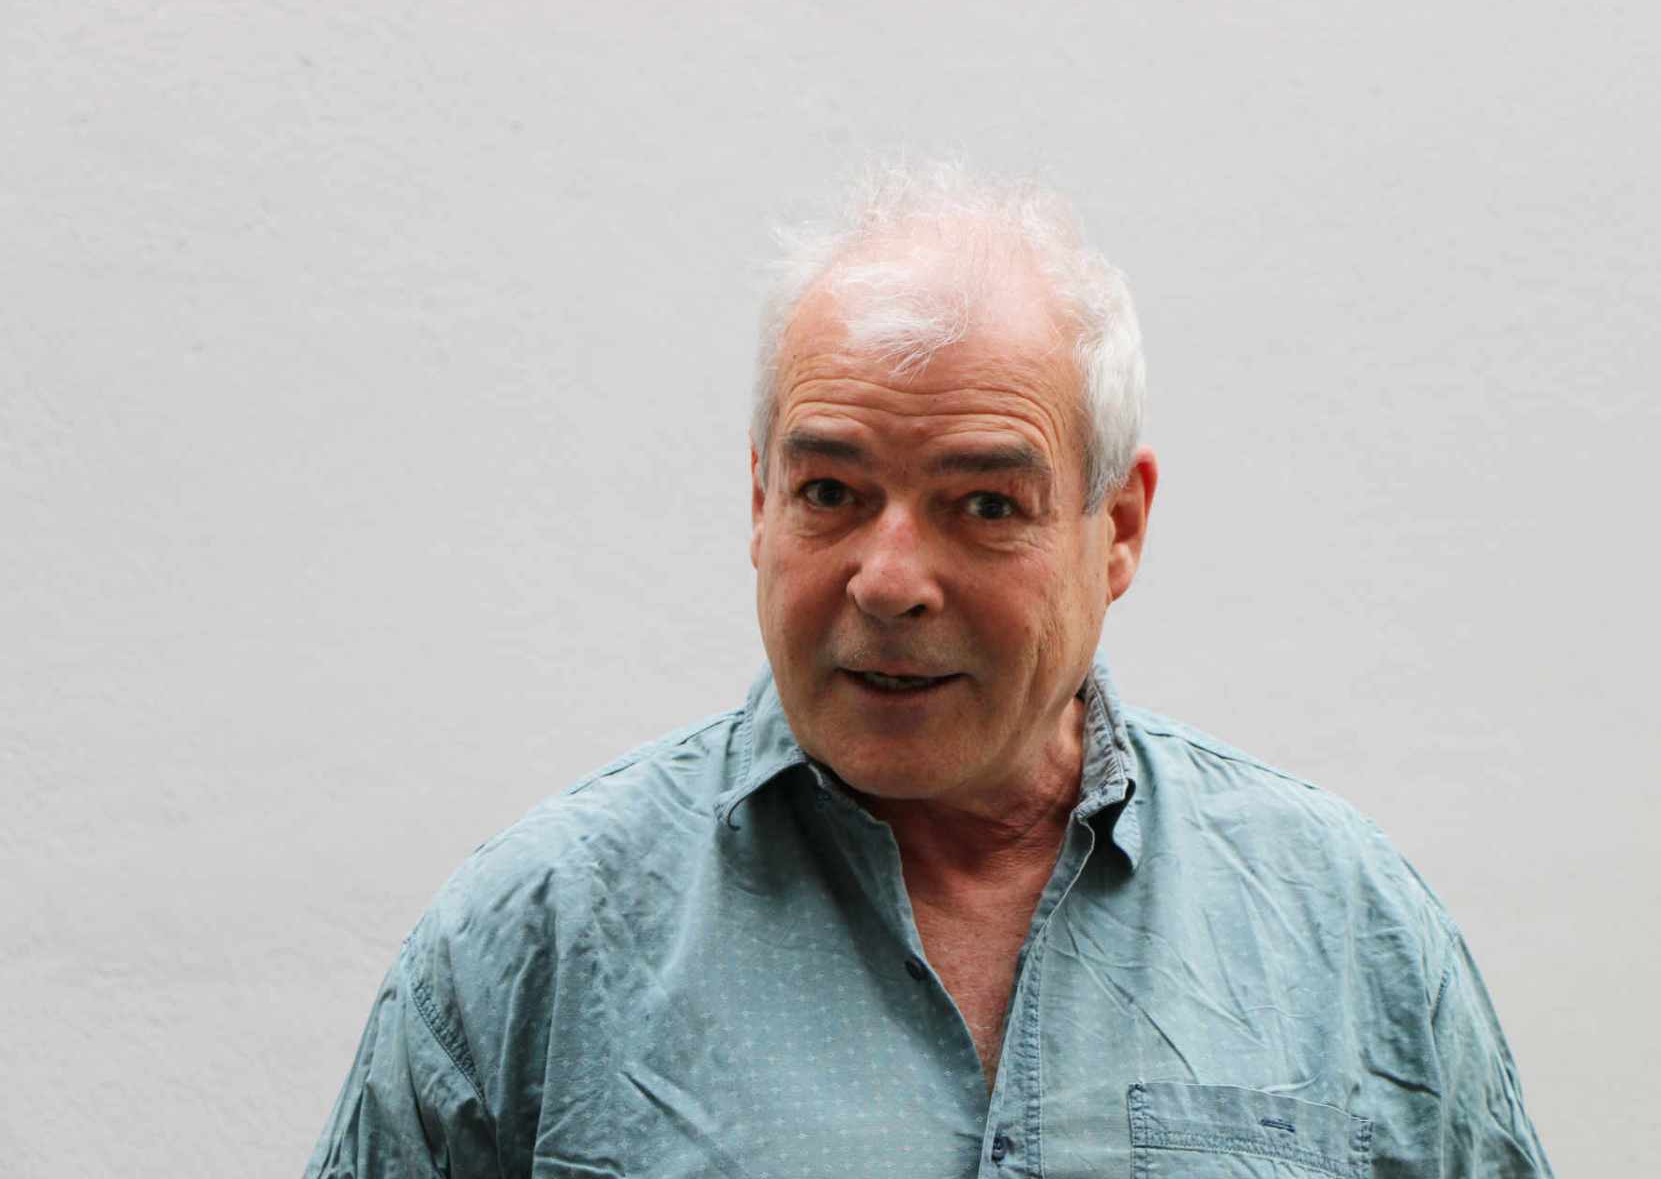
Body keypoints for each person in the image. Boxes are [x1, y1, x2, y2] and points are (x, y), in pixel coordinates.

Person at [305, 160, 1555, 1177]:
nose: (889, 581)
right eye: (831, 492)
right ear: (759, 503)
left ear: (1119, 528)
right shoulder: (537, 939)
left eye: (984, 505)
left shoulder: (1339, 926)